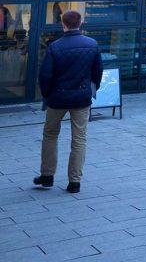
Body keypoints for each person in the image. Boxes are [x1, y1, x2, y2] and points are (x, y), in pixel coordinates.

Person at [34, 10, 103, 194]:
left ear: (63, 24)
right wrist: (91, 88)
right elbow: (97, 72)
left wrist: (47, 95)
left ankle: (47, 175)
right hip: (81, 98)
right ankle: (74, 182)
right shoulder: (92, 44)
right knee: (79, 139)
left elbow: (45, 75)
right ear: (80, 24)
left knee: (50, 135)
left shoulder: (55, 47)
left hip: (57, 98)